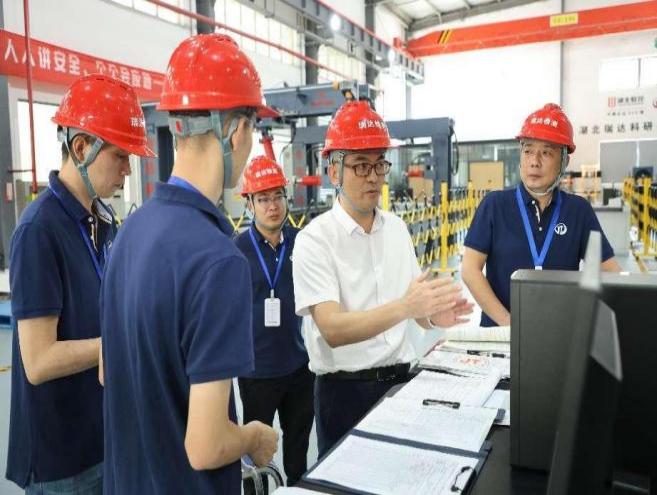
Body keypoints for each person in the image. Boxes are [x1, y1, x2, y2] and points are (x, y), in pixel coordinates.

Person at [99, 34, 278, 494]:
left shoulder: (129, 233)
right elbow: (206, 446)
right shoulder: (219, 260)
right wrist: (253, 437)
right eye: (253, 129)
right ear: (236, 131)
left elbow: (106, 370)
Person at [292, 100, 474, 457]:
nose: (373, 176)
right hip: (344, 395)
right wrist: (406, 307)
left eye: (380, 164)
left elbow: (413, 309)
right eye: (361, 165)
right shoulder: (314, 240)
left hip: (400, 384)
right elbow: (332, 328)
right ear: (334, 171)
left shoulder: (397, 229)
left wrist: (433, 315)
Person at [6, 74, 155, 494]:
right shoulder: (39, 230)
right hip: (61, 458)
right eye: (120, 155)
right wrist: (117, 344)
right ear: (82, 147)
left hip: (100, 436)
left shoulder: (100, 221)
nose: (128, 169)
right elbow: (38, 360)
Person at [462, 103, 621, 327]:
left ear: (564, 161)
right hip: (500, 336)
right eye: (528, 151)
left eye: (546, 152)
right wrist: (508, 323)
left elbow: (610, 271)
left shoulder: (578, 211)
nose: (534, 161)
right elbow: (470, 270)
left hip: (559, 334)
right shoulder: (495, 206)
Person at [234, 155, 314, 489]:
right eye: (263, 198)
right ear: (249, 204)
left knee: (299, 455)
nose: (272, 206)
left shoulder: (303, 242)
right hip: (257, 373)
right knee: (256, 460)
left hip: (299, 367)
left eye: (278, 196)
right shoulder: (236, 250)